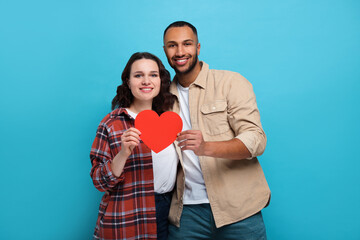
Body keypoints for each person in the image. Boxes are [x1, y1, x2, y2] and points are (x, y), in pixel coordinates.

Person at [162, 21, 271, 239]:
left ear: (198, 48)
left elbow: (256, 140)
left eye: (187, 44)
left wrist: (206, 147)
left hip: (239, 210)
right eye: (172, 45)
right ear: (165, 50)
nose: (180, 51)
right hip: (186, 214)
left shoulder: (231, 82)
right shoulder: (162, 97)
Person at [90, 52, 178, 240]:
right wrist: (122, 154)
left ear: (161, 81)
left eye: (153, 75)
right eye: (138, 75)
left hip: (167, 211)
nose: (146, 81)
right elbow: (99, 181)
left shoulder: (172, 120)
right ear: (128, 82)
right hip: (127, 213)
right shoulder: (112, 123)